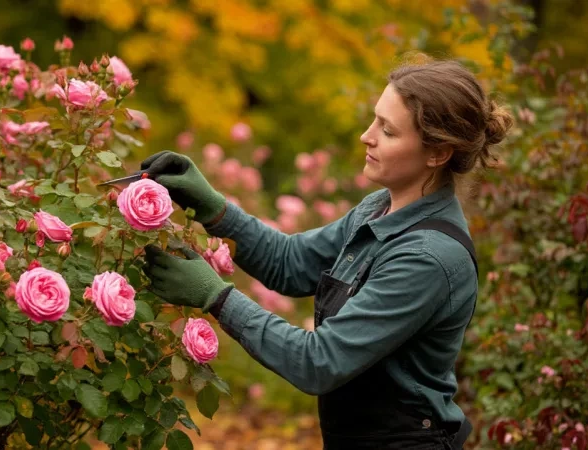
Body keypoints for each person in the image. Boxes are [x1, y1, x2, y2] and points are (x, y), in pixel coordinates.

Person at [141, 58, 514, 450]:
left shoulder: (429, 258)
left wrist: (215, 296)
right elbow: (290, 263)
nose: (366, 137)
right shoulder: (378, 210)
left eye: (387, 131)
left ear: (437, 153)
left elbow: (319, 362)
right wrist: (213, 207)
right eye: (375, 120)